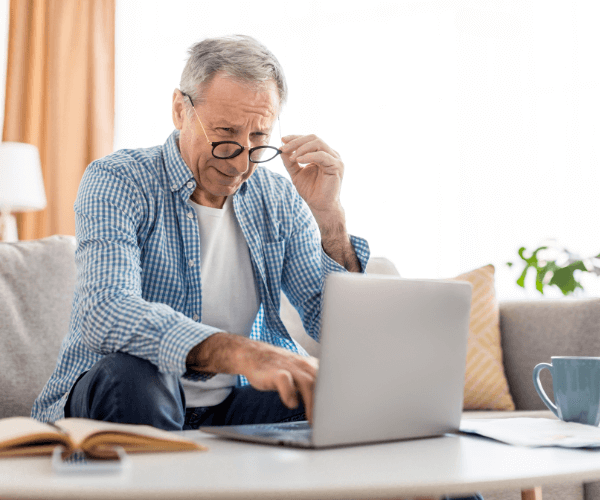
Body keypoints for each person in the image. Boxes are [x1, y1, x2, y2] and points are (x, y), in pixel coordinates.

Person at [32, 34, 369, 428]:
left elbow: (339, 328)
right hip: (129, 394)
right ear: (180, 110)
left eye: (258, 139)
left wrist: (329, 218)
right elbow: (106, 311)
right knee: (137, 377)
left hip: (227, 408)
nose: (242, 163)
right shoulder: (119, 179)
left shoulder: (277, 197)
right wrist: (242, 353)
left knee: (338, 392)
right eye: (225, 135)